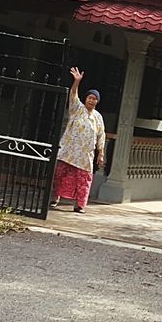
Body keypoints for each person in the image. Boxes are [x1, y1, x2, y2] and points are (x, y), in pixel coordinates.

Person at [51, 66, 105, 212]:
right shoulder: (77, 109)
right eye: (90, 98)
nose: (92, 101)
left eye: (95, 99)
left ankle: (79, 205)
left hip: (85, 155)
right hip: (69, 150)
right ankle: (55, 198)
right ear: (86, 98)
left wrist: (101, 153)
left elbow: (101, 135)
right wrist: (77, 82)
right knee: (60, 174)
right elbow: (73, 94)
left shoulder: (98, 117)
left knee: (83, 180)